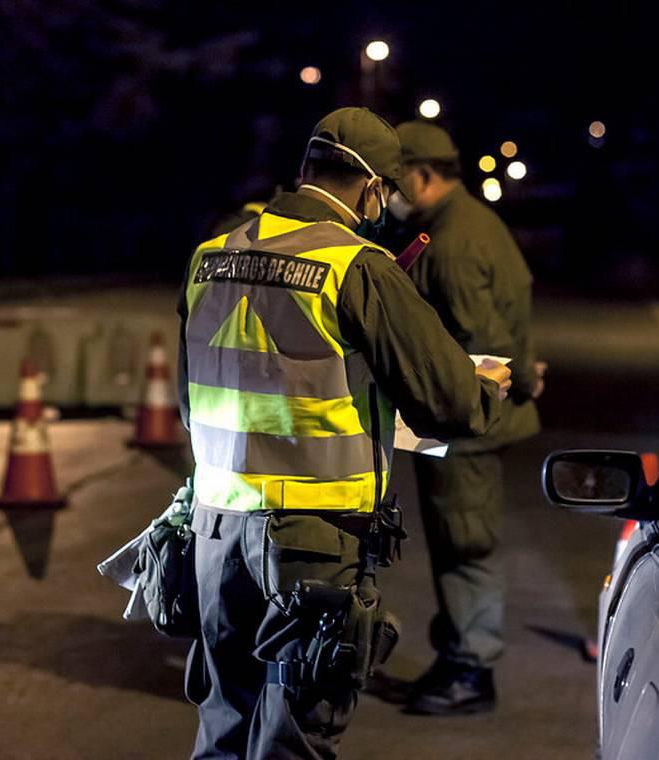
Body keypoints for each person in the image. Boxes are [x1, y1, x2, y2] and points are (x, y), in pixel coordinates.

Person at [176, 106, 511, 760]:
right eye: (382, 194)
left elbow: (194, 404)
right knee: (296, 737)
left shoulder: (212, 255)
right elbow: (449, 402)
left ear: (304, 168)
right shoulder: (357, 266)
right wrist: (488, 386)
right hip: (312, 542)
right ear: (369, 186)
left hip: (216, 531)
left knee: (224, 727)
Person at [389, 120, 544, 715]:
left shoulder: (453, 241)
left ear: (423, 174)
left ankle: (471, 668)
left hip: (466, 427)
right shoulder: (463, 225)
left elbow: (484, 343)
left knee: (465, 543)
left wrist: (520, 378)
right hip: (460, 423)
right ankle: (458, 653)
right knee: (457, 540)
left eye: (396, 180)